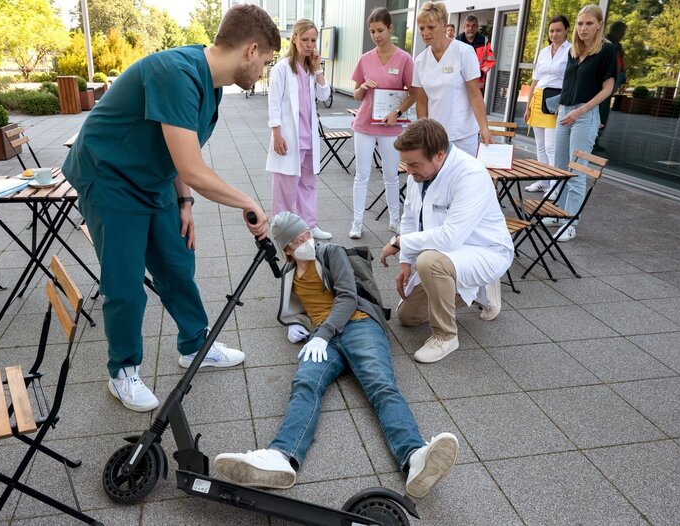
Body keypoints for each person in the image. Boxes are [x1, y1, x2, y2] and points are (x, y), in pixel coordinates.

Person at [61, 5, 280, 413]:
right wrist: (248, 201)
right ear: (251, 50)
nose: (263, 70)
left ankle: (195, 343)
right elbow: (194, 168)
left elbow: (179, 152)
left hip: (153, 177)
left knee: (177, 261)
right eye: (266, 60)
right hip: (109, 176)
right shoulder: (176, 73)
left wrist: (184, 202)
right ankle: (122, 371)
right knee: (125, 283)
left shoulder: (209, 84)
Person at [214, 211, 460, 498]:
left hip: (358, 324)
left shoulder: (331, 253)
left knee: (381, 386)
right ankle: (281, 456)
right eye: (298, 239)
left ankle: (414, 457)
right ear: (287, 249)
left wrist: (321, 334)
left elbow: (347, 296)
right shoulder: (290, 273)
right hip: (321, 339)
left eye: (306, 233)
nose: (307, 240)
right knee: (304, 384)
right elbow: (302, 306)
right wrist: (297, 325)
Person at [381, 119, 513, 363]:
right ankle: (479, 290)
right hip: (447, 254)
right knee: (407, 317)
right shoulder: (418, 174)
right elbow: (410, 218)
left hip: (484, 250)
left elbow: (450, 237)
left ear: (439, 155)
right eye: (406, 163)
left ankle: (445, 337)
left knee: (430, 261)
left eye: (414, 164)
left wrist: (400, 242)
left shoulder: (470, 174)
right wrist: (405, 262)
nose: (408, 170)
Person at [348, 7, 416, 239]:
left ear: (390, 28)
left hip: (390, 127)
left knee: (391, 175)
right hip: (365, 125)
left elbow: (413, 93)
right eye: (372, 32)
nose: (376, 36)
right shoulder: (365, 59)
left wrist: (397, 112)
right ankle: (357, 223)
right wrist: (362, 88)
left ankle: (395, 221)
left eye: (380, 30)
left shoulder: (405, 58)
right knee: (361, 175)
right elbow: (356, 94)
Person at [551, 4, 617, 243]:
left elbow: (608, 89)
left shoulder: (607, 51)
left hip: (584, 115)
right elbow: (568, 83)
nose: (583, 28)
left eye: (589, 23)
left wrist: (582, 111)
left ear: (599, 24)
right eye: (580, 23)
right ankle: (558, 212)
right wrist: (560, 106)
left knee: (576, 171)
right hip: (564, 114)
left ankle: (570, 222)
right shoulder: (572, 51)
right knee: (560, 168)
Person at [267, 19, 333, 241]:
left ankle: (309, 226)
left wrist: (318, 68)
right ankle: (281, 228)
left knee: (308, 183)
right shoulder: (282, 68)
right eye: (304, 39)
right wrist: (276, 134)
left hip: (309, 137)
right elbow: (274, 103)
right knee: (284, 186)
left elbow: (324, 96)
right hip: (289, 136)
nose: (309, 44)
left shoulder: (311, 68)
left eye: (313, 40)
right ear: (294, 39)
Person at [413, 2, 494, 156]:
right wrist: (423, 133)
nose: (425, 33)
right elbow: (422, 102)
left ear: (444, 26)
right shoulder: (420, 61)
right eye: (422, 28)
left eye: (431, 27)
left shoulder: (464, 52)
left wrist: (484, 127)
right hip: (435, 136)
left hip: (462, 135)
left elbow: (475, 94)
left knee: (463, 179)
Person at [524, 16, 571, 193]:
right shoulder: (544, 51)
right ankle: (542, 181)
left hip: (554, 101)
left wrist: (562, 104)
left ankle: (555, 186)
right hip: (538, 99)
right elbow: (535, 80)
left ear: (566, 30)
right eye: (551, 30)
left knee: (552, 147)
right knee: (540, 146)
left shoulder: (571, 51)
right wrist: (528, 105)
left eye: (558, 30)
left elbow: (569, 81)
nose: (554, 34)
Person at [594, 21, 627, 153]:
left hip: (611, 85)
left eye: (624, 33)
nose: (623, 35)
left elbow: (620, 64)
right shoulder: (605, 43)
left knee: (603, 115)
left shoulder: (619, 47)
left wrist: (622, 78)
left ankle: (596, 140)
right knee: (597, 113)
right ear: (614, 30)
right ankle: (591, 141)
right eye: (621, 32)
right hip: (601, 87)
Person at [456, 15, 496, 93]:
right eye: (468, 26)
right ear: (464, 27)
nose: (470, 29)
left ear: (477, 27)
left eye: (473, 26)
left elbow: (491, 60)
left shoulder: (484, 42)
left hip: (477, 84)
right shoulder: (456, 42)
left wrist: (481, 72)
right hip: (459, 84)